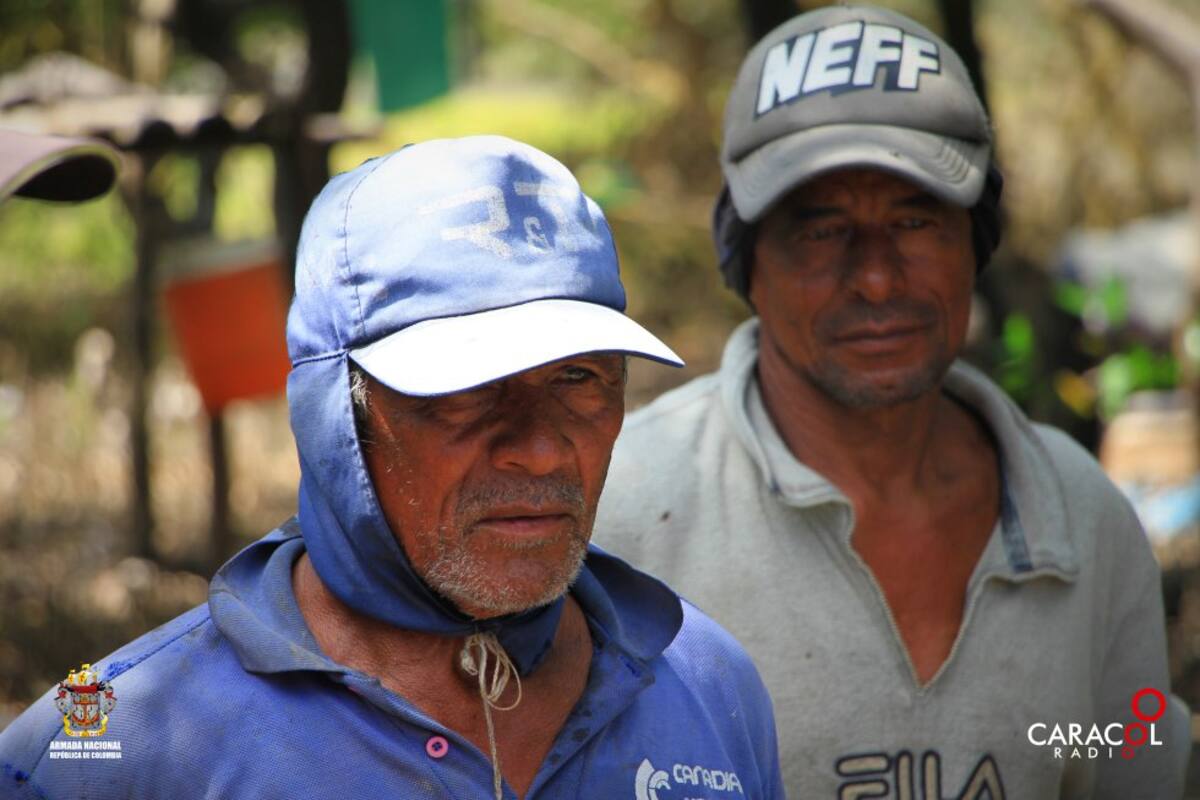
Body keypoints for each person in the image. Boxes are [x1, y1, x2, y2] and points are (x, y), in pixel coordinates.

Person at [0, 135, 783, 799]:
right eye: (466, 393)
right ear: (334, 414)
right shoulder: (109, 740)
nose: (542, 449)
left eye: (578, 378)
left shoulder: (707, 684)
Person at [594, 5, 1187, 798]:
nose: (875, 277)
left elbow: (1125, 763)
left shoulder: (1084, 523)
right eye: (820, 229)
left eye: (915, 220)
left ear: (975, 245)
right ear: (746, 262)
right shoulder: (621, 515)